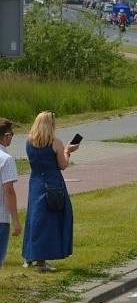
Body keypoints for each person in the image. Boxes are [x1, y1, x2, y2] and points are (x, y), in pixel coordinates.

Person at [22, 112, 79, 271]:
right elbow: (62, 165)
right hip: (53, 182)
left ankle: (29, 256)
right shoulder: (55, 143)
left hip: (36, 182)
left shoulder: (29, 142)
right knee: (50, 221)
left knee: (34, 217)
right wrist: (68, 151)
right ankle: (42, 260)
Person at [0, 119, 22, 303]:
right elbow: (9, 192)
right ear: (6, 136)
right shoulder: (6, 159)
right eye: (12, 134)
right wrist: (16, 220)